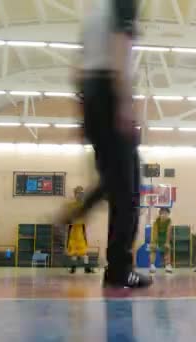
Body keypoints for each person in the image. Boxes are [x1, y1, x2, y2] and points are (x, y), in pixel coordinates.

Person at [56, 0, 151, 288]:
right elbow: (120, 47)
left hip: (92, 95)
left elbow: (77, 70)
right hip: (110, 92)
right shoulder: (124, 4)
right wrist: (124, 103)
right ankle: (119, 270)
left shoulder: (93, 13)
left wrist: (82, 116)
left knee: (114, 181)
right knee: (130, 188)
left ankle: (70, 216)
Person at [65, 186, 94, 274]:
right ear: (75, 194)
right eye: (78, 193)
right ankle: (73, 268)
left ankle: (87, 268)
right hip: (73, 230)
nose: (80, 195)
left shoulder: (85, 206)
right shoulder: (71, 206)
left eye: (82, 193)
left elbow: (87, 219)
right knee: (73, 252)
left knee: (84, 252)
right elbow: (68, 219)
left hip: (81, 231)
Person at [149, 208, 173, 274]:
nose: (164, 215)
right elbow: (154, 232)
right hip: (157, 236)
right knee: (153, 248)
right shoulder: (156, 221)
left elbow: (169, 232)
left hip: (165, 237)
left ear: (168, 214)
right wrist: (154, 242)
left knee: (167, 249)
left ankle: (168, 265)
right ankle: (152, 265)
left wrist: (167, 242)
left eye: (166, 213)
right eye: (162, 213)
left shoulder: (169, 221)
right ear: (160, 214)